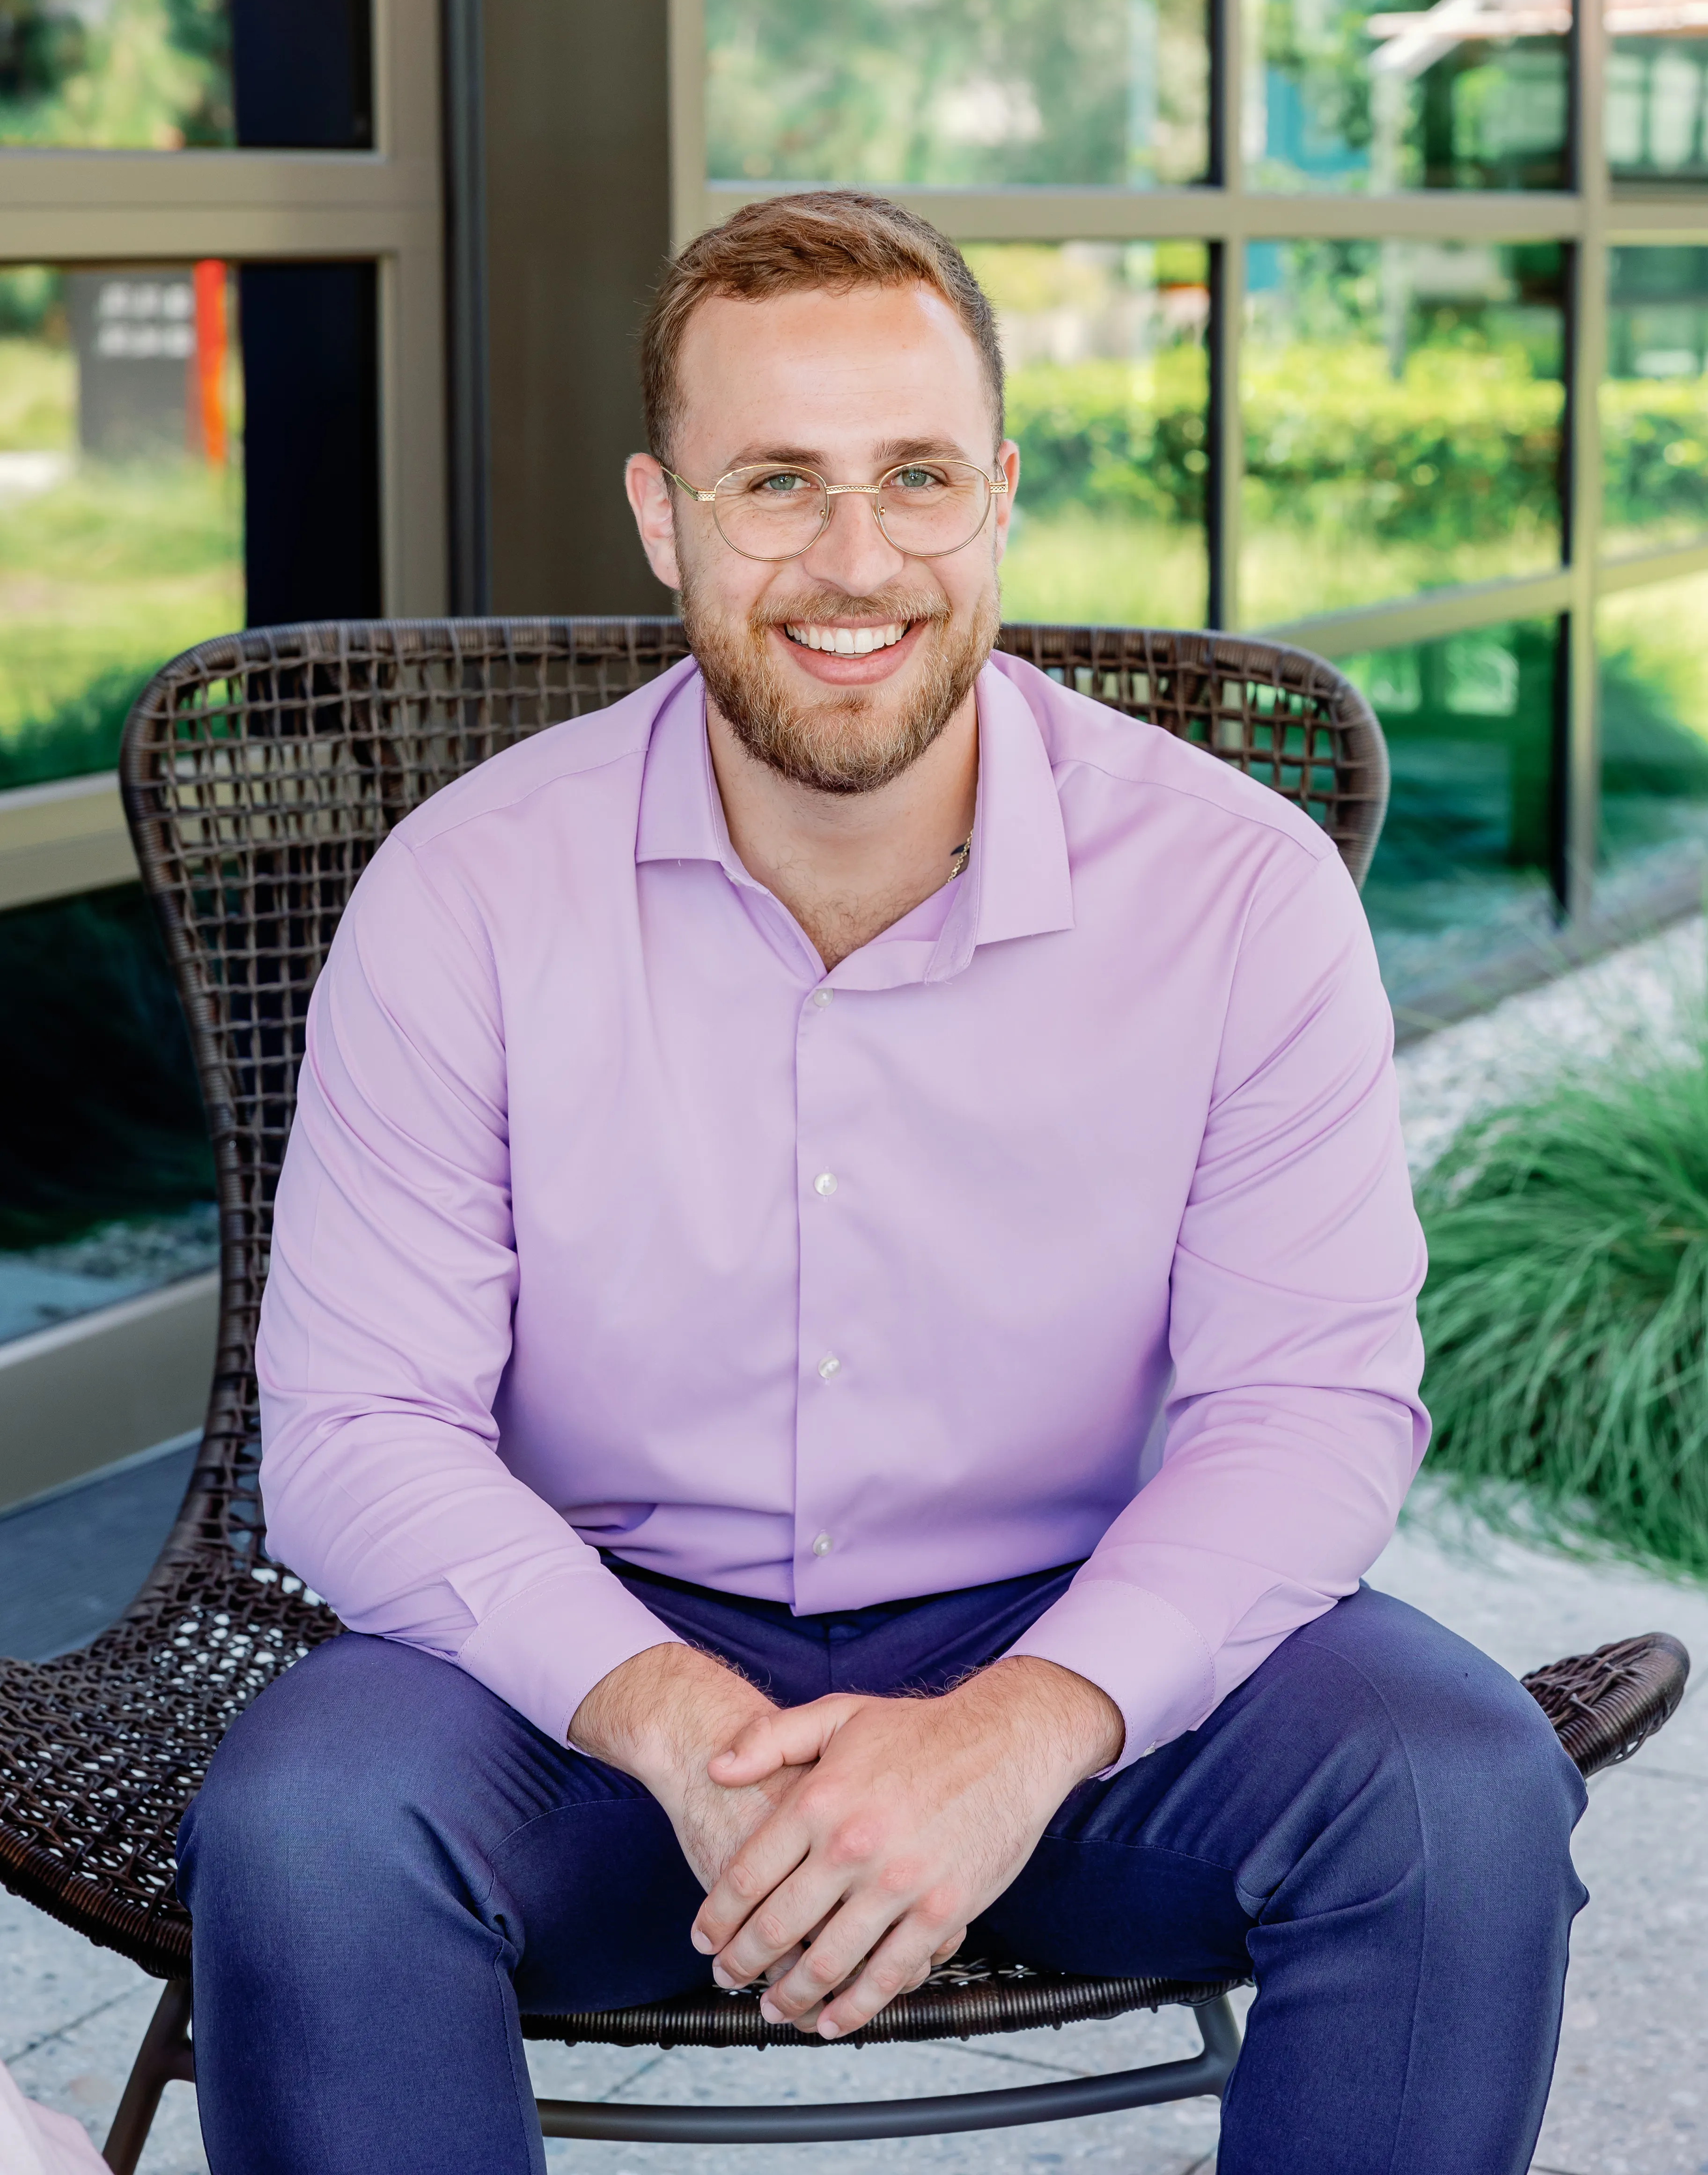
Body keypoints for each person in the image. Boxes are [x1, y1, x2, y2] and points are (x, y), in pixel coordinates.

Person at [179, 190, 1585, 2175]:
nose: (857, 562)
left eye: (915, 477)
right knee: (312, 1825)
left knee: (1453, 1794)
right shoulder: (469, 895)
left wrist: (1022, 1729)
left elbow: (1311, 1405)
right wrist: (664, 1713)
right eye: (777, 484)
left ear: (998, 496)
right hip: (588, 1687)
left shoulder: (1237, 892)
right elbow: (356, 1427)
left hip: (1090, 1666)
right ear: (666, 518)